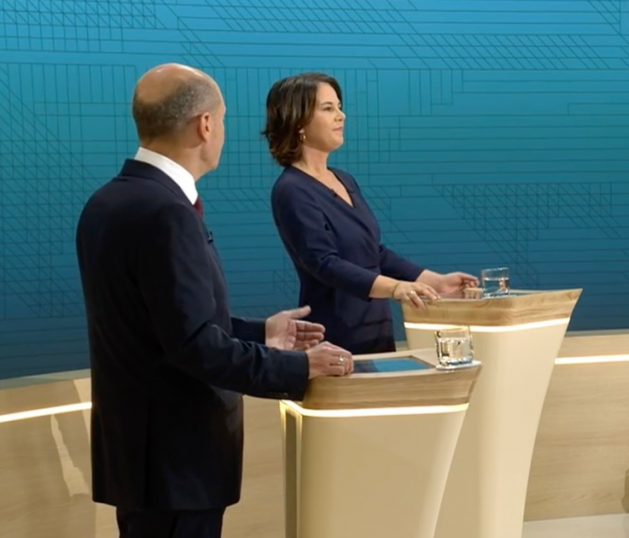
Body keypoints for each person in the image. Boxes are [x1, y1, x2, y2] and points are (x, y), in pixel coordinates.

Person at [75, 63, 355, 538]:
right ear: (205, 125)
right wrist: (299, 367)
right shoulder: (165, 211)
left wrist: (262, 332)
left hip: (144, 461)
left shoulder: (108, 201)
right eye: (222, 120)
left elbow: (160, 324)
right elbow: (193, 346)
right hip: (177, 463)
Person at [263, 72, 478, 354]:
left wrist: (435, 281)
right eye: (328, 108)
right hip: (335, 335)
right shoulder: (292, 189)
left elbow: (373, 253)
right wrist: (395, 288)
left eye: (339, 107)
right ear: (298, 121)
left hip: (375, 327)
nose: (341, 116)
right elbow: (324, 263)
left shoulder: (344, 179)